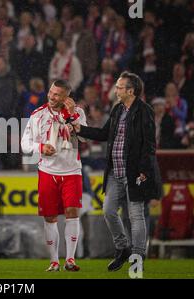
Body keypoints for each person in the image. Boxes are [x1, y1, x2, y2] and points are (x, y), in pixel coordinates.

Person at [73, 71, 158, 271]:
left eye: (120, 87)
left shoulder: (144, 111)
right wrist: (80, 129)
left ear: (131, 90)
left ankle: (137, 257)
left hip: (134, 172)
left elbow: (150, 144)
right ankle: (123, 249)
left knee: (136, 215)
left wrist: (144, 169)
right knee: (108, 211)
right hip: (114, 171)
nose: (116, 90)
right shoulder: (118, 109)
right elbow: (104, 134)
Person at [21, 79, 87, 272]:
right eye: (51, 92)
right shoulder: (37, 115)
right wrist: (40, 148)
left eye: (57, 94)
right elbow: (25, 143)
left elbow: (84, 137)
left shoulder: (78, 113)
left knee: (72, 213)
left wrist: (73, 115)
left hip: (72, 171)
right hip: (47, 172)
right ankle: (54, 261)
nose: (51, 96)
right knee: (50, 217)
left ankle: (70, 259)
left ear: (66, 97)